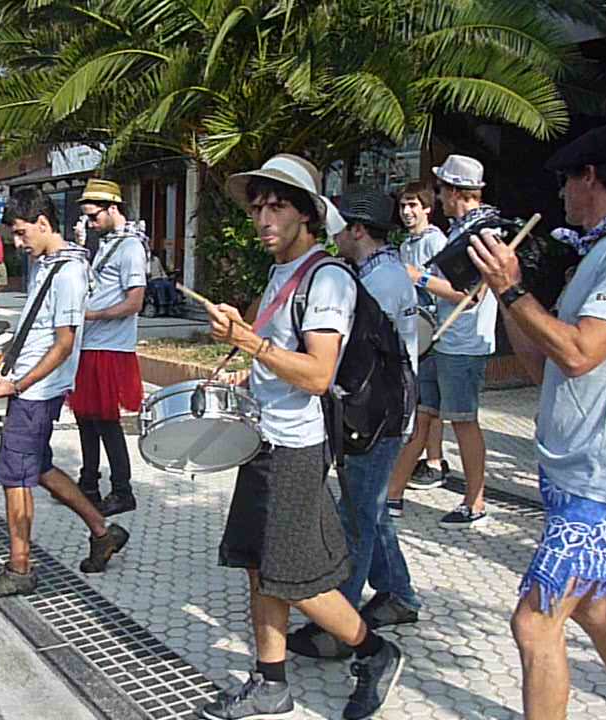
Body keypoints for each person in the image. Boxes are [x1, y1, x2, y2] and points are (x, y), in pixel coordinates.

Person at [467, 123, 606, 720]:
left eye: (565, 181)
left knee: (535, 622)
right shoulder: (605, 252)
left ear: (590, 177)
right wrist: (505, 293)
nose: (560, 194)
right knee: (594, 609)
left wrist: (514, 291)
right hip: (578, 467)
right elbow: (545, 365)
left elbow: (582, 351)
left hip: (602, 475)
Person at [198, 154, 403, 720]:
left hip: (295, 448)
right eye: (258, 208)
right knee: (259, 566)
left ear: (308, 214)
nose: (264, 219)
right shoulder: (280, 274)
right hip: (262, 440)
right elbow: (274, 357)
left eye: (277, 207)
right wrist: (243, 354)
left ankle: (375, 652)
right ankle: (270, 682)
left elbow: (317, 375)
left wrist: (253, 343)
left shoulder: (326, 278)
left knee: (294, 579)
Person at [0, 187, 130, 599]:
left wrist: (17, 385)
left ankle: (20, 568)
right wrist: (5, 361)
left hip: (37, 393)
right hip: (29, 386)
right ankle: (102, 531)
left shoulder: (70, 272)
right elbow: (37, 327)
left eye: (22, 233)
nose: (18, 242)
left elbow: (64, 344)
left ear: (43, 223)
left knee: (14, 477)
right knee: (37, 467)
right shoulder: (48, 264)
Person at [288, 188, 423, 661]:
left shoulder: (377, 283)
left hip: (375, 418)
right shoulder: (383, 272)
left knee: (356, 517)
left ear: (359, 230)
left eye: (339, 228)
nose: (333, 238)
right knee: (371, 508)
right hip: (382, 412)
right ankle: (399, 593)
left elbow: (342, 355)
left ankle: (338, 623)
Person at [406, 155, 499, 528]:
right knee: (433, 414)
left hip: (464, 343)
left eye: (442, 189)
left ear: (457, 192)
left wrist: (419, 278)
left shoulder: (483, 232)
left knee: (463, 421)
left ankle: (475, 503)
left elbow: (471, 295)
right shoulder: (464, 229)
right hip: (447, 340)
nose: (440, 196)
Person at [72, 179, 147, 516]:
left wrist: (92, 315)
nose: (90, 223)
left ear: (112, 208)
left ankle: (122, 490)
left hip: (110, 347)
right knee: (85, 418)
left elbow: (135, 302)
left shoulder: (131, 247)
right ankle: (88, 482)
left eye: (93, 216)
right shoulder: (108, 243)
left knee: (106, 421)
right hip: (91, 343)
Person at [390, 182, 450, 518]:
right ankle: (424, 459)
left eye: (413, 205)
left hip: (433, 331)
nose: (407, 212)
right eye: (403, 206)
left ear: (427, 208)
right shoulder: (406, 244)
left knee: (429, 402)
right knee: (421, 398)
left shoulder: (435, 241)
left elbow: (448, 287)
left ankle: (434, 461)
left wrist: (419, 278)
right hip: (413, 328)